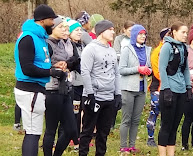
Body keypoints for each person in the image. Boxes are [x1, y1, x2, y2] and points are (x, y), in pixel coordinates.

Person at [13, 4, 64, 156]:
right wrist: (52, 72)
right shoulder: (28, 38)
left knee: (34, 132)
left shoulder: (40, 38)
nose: (53, 23)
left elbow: (38, 62)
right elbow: (27, 68)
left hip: (37, 89)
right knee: (33, 133)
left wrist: (54, 66)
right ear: (43, 20)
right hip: (30, 90)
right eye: (52, 20)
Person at [79, 20, 121, 156]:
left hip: (109, 97)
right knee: (87, 131)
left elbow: (116, 73)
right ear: (101, 32)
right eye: (110, 29)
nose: (113, 32)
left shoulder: (111, 50)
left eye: (113, 29)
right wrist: (90, 94)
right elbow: (85, 72)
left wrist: (118, 94)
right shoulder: (90, 49)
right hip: (94, 96)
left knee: (103, 133)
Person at [42, 16, 79, 156]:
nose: (65, 30)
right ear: (52, 28)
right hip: (51, 89)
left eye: (66, 27)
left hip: (66, 88)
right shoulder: (46, 43)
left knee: (70, 129)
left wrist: (67, 64)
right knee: (51, 129)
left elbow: (74, 60)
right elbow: (41, 64)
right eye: (61, 27)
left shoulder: (64, 43)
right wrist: (54, 66)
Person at [157, 21, 192, 156]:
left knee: (175, 126)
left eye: (186, 32)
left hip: (181, 90)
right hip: (169, 90)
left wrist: (188, 86)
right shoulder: (167, 47)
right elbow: (162, 68)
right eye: (183, 32)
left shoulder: (184, 48)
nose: (185, 35)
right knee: (166, 124)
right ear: (174, 32)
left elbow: (186, 69)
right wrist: (166, 89)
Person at [119, 24, 152, 154]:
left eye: (144, 34)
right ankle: (123, 146)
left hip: (142, 88)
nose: (143, 36)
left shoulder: (147, 50)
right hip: (128, 88)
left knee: (136, 119)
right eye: (140, 34)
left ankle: (132, 145)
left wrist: (148, 70)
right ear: (134, 35)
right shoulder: (127, 49)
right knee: (126, 118)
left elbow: (149, 66)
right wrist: (137, 69)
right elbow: (121, 69)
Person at [146, 27, 170, 147]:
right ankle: (150, 137)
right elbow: (157, 72)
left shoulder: (174, 49)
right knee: (154, 112)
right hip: (158, 88)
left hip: (170, 88)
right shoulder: (157, 51)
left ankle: (164, 138)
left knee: (166, 114)